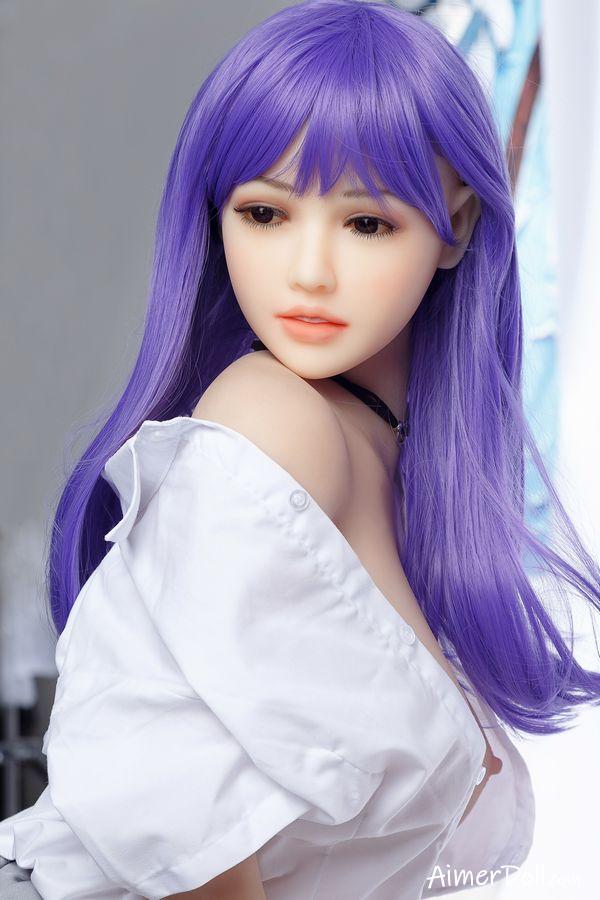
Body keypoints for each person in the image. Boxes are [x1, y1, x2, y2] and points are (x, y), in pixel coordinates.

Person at [1, 1, 598, 897]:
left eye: (366, 224)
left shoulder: (379, 450)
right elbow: (185, 821)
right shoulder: (272, 419)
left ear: (458, 224)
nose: (309, 273)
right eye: (264, 213)